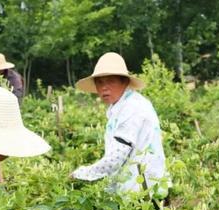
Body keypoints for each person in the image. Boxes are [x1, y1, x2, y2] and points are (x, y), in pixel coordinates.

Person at [70, 52, 169, 202]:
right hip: (133, 190)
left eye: (110, 81)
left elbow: (117, 156)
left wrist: (83, 174)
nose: (104, 88)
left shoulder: (132, 108)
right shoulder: (120, 107)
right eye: (100, 82)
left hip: (144, 193)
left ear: (124, 82)